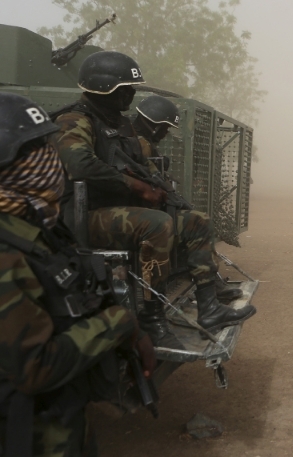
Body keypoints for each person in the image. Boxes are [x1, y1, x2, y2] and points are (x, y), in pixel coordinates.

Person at [51, 51, 255, 350]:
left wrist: (157, 188)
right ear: (104, 88)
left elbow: (142, 166)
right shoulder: (74, 120)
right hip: (84, 216)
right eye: (125, 88)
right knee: (157, 224)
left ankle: (209, 307)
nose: (132, 94)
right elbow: (79, 164)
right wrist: (135, 185)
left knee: (196, 221)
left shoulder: (122, 126)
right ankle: (152, 319)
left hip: (121, 213)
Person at [0, 93, 156, 456]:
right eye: (36, 148)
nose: (51, 157)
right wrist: (119, 323)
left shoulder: (39, 227)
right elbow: (36, 367)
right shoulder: (7, 251)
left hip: (63, 424)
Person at [132, 95, 242, 302]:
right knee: (191, 222)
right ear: (155, 126)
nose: (166, 134)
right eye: (165, 128)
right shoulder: (139, 142)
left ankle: (206, 283)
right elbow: (150, 176)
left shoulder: (140, 140)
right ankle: (205, 285)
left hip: (143, 206)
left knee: (189, 219)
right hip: (136, 208)